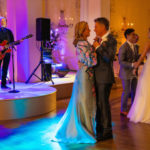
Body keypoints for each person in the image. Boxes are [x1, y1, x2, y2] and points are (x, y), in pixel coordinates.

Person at [51, 21, 97, 143]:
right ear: (82, 31)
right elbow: (92, 61)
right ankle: (83, 129)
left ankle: (88, 127)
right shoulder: (82, 43)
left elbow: (89, 59)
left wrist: (92, 51)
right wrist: (94, 52)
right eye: (87, 29)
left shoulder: (85, 43)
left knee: (85, 101)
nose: (90, 31)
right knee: (84, 101)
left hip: (87, 74)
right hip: (84, 75)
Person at [92, 17, 117, 141]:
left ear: (103, 27)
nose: (94, 29)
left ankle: (107, 131)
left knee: (103, 104)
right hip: (97, 76)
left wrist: (97, 47)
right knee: (98, 104)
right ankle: (100, 128)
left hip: (105, 77)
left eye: (96, 26)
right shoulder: (99, 39)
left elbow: (109, 57)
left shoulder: (111, 39)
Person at [127, 28, 150, 123]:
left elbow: (142, 56)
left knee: (145, 89)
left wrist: (135, 66)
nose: (147, 33)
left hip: (149, 67)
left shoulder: (148, 43)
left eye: (148, 32)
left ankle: (144, 113)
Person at [118, 28, 139, 116]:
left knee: (134, 90)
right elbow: (121, 61)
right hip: (126, 72)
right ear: (127, 36)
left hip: (134, 72)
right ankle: (123, 109)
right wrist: (131, 64)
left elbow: (136, 58)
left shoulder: (135, 46)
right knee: (126, 91)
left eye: (134, 34)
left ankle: (133, 107)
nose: (134, 36)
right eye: (133, 34)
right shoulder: (123, 47)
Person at [0, 17, 14, 89]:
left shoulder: (9, 31)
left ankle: (3, 84)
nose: (3, 22)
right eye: (1, 21)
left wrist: (18, 42)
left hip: (7, 52)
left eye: (4, 21)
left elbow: (12, 42)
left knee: (5, 68)